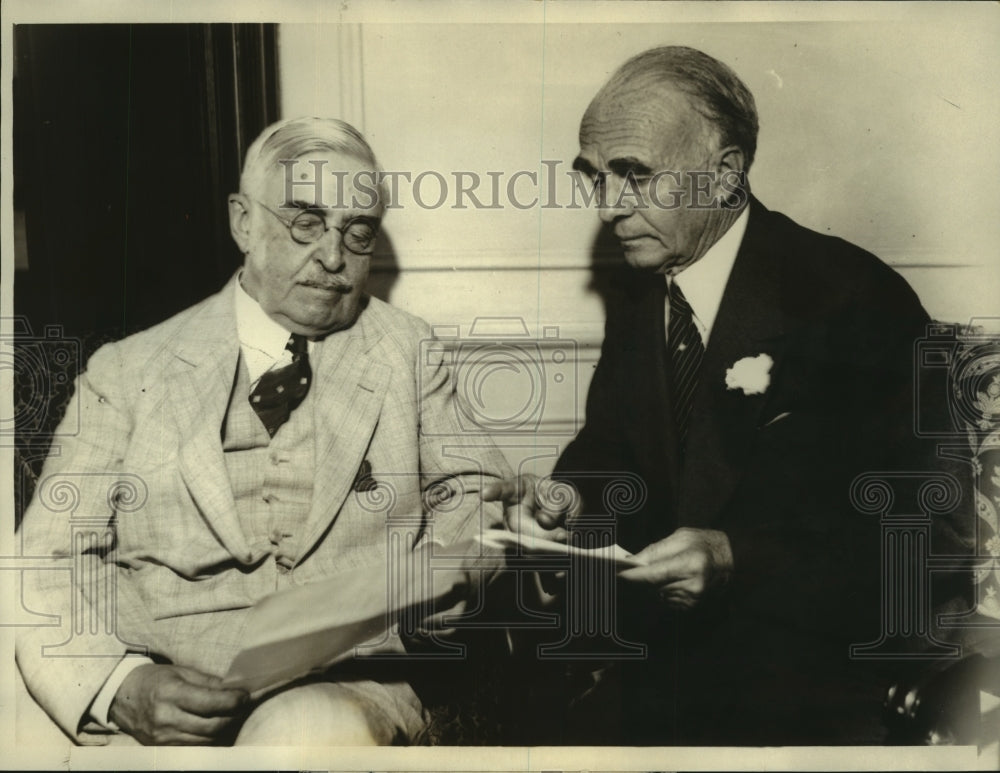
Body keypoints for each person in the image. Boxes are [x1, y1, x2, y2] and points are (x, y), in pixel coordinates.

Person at [485, 46, 973, 745]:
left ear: (726, 174)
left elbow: (932, 536)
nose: (608, 206)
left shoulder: (850, 298)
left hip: (824, 687)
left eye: (634, 175)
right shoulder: (642, 296)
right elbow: (610, 450)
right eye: (594, 178)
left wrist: (738, 557)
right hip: (663, 675)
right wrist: (570, 501)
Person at [15, 116, 512, 746]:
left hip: (349, 684)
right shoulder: (128, 370)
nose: (332, 258)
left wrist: (451, 576)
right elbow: (40, 559)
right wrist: (120, 685)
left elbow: (475, 495)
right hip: (163, 679)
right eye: (305, 222)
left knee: (301, 733)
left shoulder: (408, 352)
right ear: (243, 222)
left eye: (357, 234)